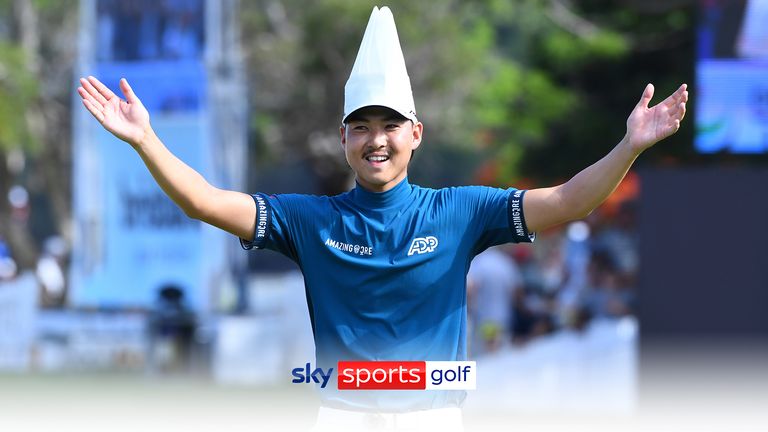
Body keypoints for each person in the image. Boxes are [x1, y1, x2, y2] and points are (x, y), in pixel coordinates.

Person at [77, 5, 687, 430]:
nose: (377, 140)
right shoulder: (308, 220)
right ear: (342, 138)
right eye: (362, 128)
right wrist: (146, 142)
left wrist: (629, 146)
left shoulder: (461, 210)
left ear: (416, 134)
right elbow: (204, 201)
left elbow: (568, 200)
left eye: (390, 125)